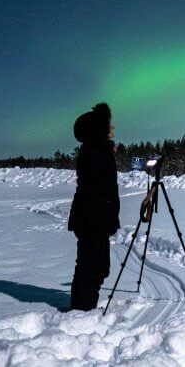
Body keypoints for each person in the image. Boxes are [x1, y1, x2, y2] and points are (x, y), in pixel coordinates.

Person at [67, 102, 120, 311]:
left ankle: (84, 308)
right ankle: (81, 312)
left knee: (96, 267)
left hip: (94, 218)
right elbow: (98, 188)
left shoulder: (95, 151)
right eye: (109, 125)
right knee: (91, 267)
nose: (113, 129)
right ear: (100, 128)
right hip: (92, 219)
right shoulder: (93, 152)